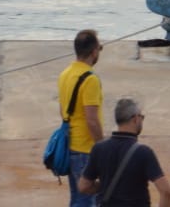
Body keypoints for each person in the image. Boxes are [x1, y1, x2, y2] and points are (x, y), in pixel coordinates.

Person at [80, 98, 170, 207]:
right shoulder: (144, 153)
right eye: (141, 117)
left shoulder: (99, 148)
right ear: (135, 118)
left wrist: (105, 184)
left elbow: (83, 186)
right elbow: (166, 192)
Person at [58, 29, 104, 207]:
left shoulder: (65, 74)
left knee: (77, 198)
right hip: (86, 148)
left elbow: (62, 111)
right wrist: (102, 148)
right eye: (99, 48)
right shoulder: (90, 79)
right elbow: (91, 119)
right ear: (93, 51)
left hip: (70, 146)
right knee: (87, 200)